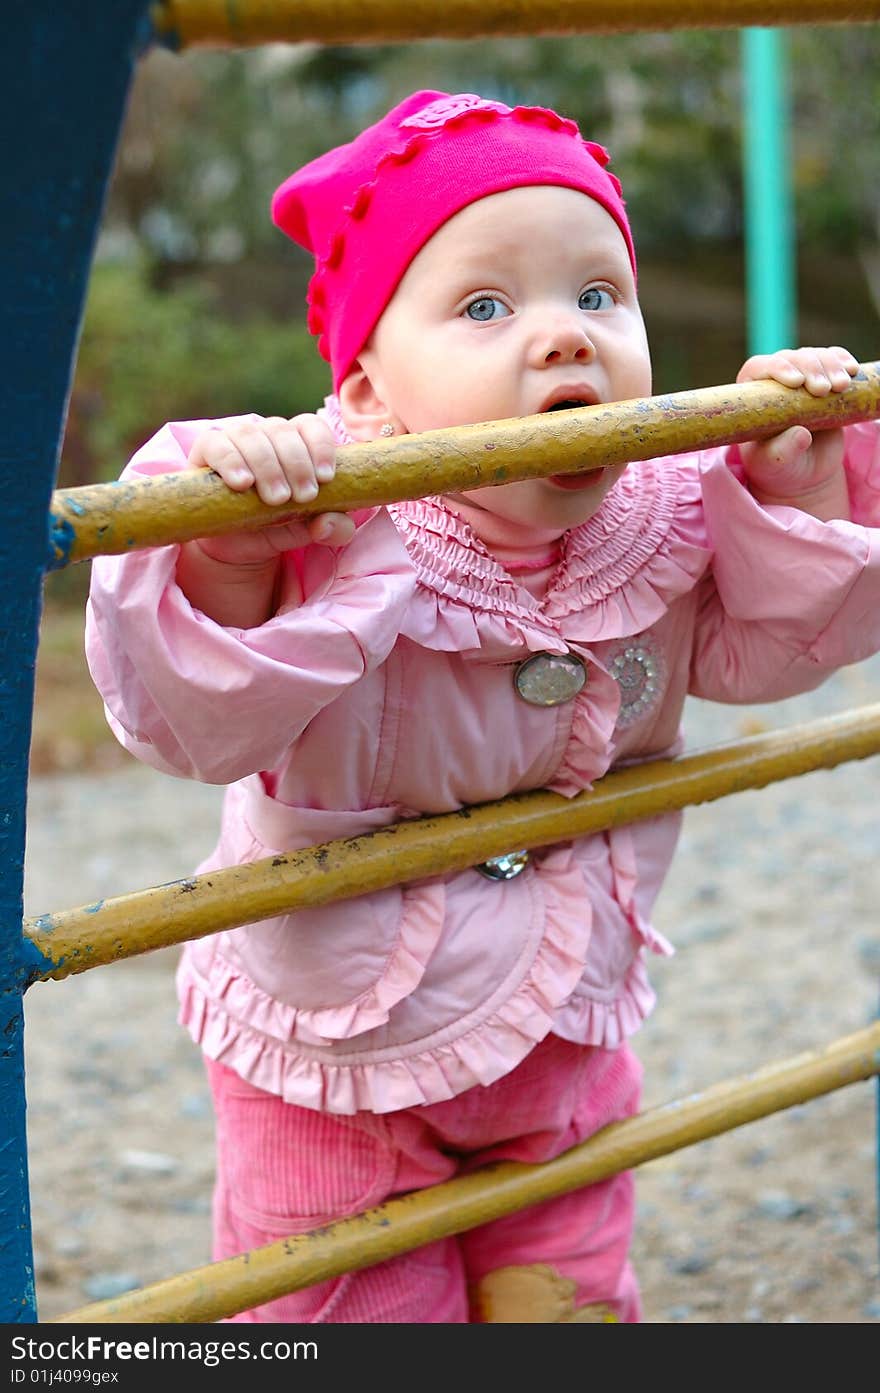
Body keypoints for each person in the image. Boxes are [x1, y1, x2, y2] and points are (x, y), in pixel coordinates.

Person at [85, 89, 880, 1324]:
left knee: (566, 1294)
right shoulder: (325, 511)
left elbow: (772, 658)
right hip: (338, 1055)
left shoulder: (669, 505)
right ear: (362, 393)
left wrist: (798, 478)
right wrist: (231, 556)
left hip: (567, 1017)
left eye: (598, 295)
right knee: (344, 1312)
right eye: (485, 306)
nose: (567, 338)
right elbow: (197, 726)